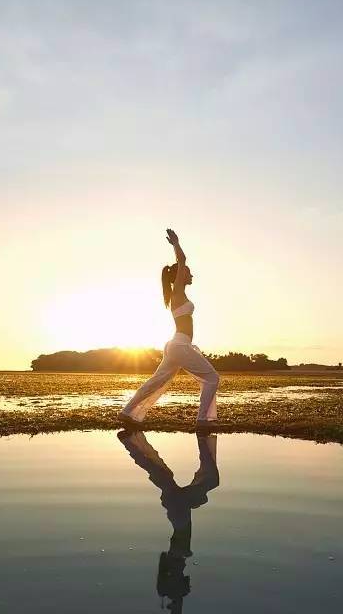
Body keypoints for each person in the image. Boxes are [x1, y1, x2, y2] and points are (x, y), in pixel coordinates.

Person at [118, 229, 220, 429]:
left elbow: (182, 265)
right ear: (180, 276)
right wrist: (176, 244)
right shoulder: (178, 292)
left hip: (176, 345)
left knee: (156, 381)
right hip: (180, 345)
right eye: (188, 272)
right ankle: (202, 420)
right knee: (213, 378)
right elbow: (182, 260)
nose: (191, 275)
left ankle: (126, 412)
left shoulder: (178, 295)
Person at [117, 430, 220, 614]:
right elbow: (175, 579)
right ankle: (131, 442)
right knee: (167, 475)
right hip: (178, 513)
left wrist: (176, 603)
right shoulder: (171, 581)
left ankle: (130, 442)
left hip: (178, 513)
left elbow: (177, 586)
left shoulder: (171, 582)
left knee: (165, 474)